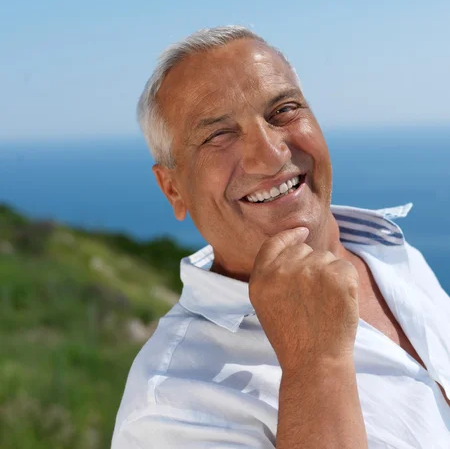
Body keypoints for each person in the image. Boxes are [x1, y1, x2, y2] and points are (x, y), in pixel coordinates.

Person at [111, 26, 450, 448]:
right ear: (173, 189)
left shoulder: (388, 249)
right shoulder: (169, 407)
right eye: (218, 135)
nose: (271, 154)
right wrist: (314, 365)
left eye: (284, 110)